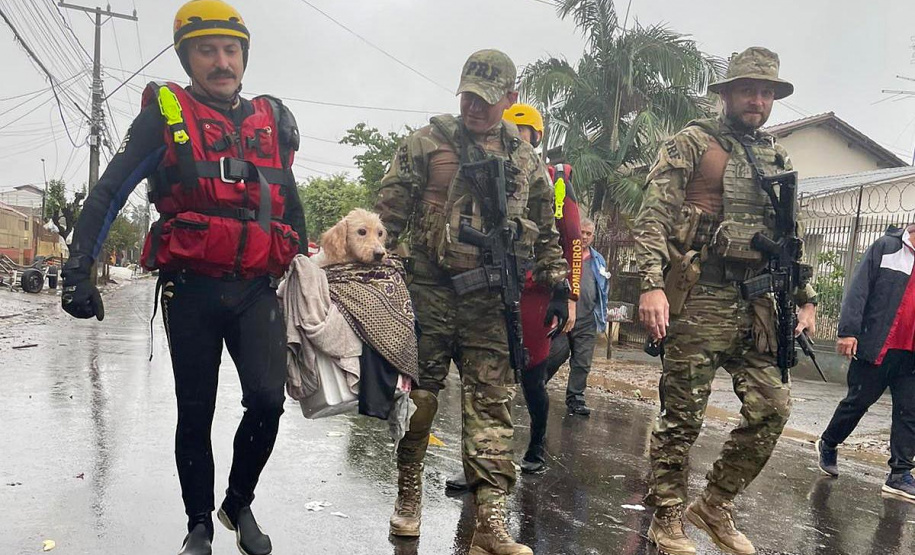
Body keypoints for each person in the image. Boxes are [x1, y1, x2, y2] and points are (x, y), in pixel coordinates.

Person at [59, 2, 306, 554]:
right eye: (207, 51)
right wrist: (78, 269)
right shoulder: (164, 117)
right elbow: (109, 191)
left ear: (244, 56)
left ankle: (237, 503)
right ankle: (199, 523)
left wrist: (306, 270)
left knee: (268, 400)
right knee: (196, 409)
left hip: (255, 288)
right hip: (190, 288)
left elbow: (290, 204)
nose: (222, 62)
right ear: (187, 58)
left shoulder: (270, 122)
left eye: (231, 50)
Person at [376, 50, 570, 555]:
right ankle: (409, 496)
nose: (474, 107)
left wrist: (559, 288)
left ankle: (490, 520)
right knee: (420, 401)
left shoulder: (526, 160)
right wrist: (374, 278)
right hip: (429, 292)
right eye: (467, 96)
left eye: (485, 99)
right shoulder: (427, 142)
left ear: (509, 98)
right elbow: (387, 217)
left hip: (490, 300)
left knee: (492, 406)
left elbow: (547, 230)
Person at [632, 47, 817, 555]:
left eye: (766, 92)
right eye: (748, 90)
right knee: (682, 417)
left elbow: (790, 235)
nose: (757, 100)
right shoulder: (693, 143)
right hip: (699, 296)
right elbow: (652, 218)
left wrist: (805, 298)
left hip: (756, 303)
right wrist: (650, 284)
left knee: (772, 408)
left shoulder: (777, 156)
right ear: (728, 94)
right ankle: (667, 516)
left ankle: (714, 504)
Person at [445, 103, 583, 488]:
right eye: (511, 129)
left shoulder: (553, 181)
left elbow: (571, 240)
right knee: (482, 377)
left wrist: (569, 295)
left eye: (523, 132)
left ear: (536, 137)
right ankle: (480, 461)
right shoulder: (479, 167)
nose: (515, 137)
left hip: (535, 291)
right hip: (486, 285)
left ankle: (536, 447)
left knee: (532, 376)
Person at [816, 225, 915, 502]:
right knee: (858, 402)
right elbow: (859, 290)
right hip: (878, 345)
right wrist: (848, 331)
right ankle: (829, 443)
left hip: (911, 353)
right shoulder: (887, 248)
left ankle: (900, 474)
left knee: (909, 412)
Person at [546, 217, 609, 418]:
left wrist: (601, 316)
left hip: (587, 319)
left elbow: (603, 289)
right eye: (581, 232)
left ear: (593, 237)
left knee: (582, 362)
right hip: (564, 317)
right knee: (555, 354)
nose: (584, 237)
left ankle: (576, 398)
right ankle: (536, 385)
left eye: (588, 234)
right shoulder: (564, 256)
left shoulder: (598, 260)